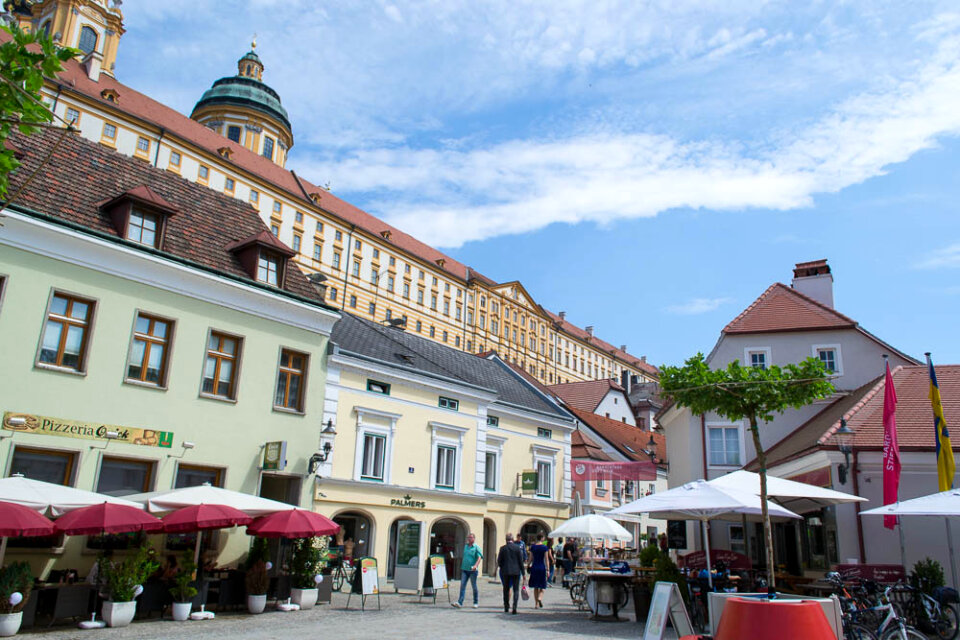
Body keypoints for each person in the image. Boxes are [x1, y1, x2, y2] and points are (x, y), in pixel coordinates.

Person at [496, 533, 526, 614]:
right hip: (516, 572)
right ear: (512, 539)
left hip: (505, 571)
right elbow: (520, 562)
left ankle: (506, 606)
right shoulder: (517, 548)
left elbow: (499, 561)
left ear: (506, 540)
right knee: (516, 590)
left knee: (506, 589)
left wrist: (502, 567)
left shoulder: (502, 548)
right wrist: (523, 573)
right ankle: (514, 607)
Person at [452, 532, 483, 609]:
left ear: (474, 539)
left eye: (471, 537)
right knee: (462, 586)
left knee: (474, 586)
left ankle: (475, 602)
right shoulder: (466, 546)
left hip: (473, 570)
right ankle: (460, 602)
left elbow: (479, 557)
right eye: (468, 537)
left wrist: (475, 565)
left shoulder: (476, 547)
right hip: (464, 569)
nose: (469, 539)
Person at [527, 533, 551, 608]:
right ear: (542, 538)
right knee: (543, 585)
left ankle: (536, 604)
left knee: (535, 587)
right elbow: (546, 559)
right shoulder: (544, 547)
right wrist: (548, 569)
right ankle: (540, 598)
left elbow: (530, 558)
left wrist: (527, 565)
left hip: (534, 567)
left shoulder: (533, 547)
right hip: (541, 567)